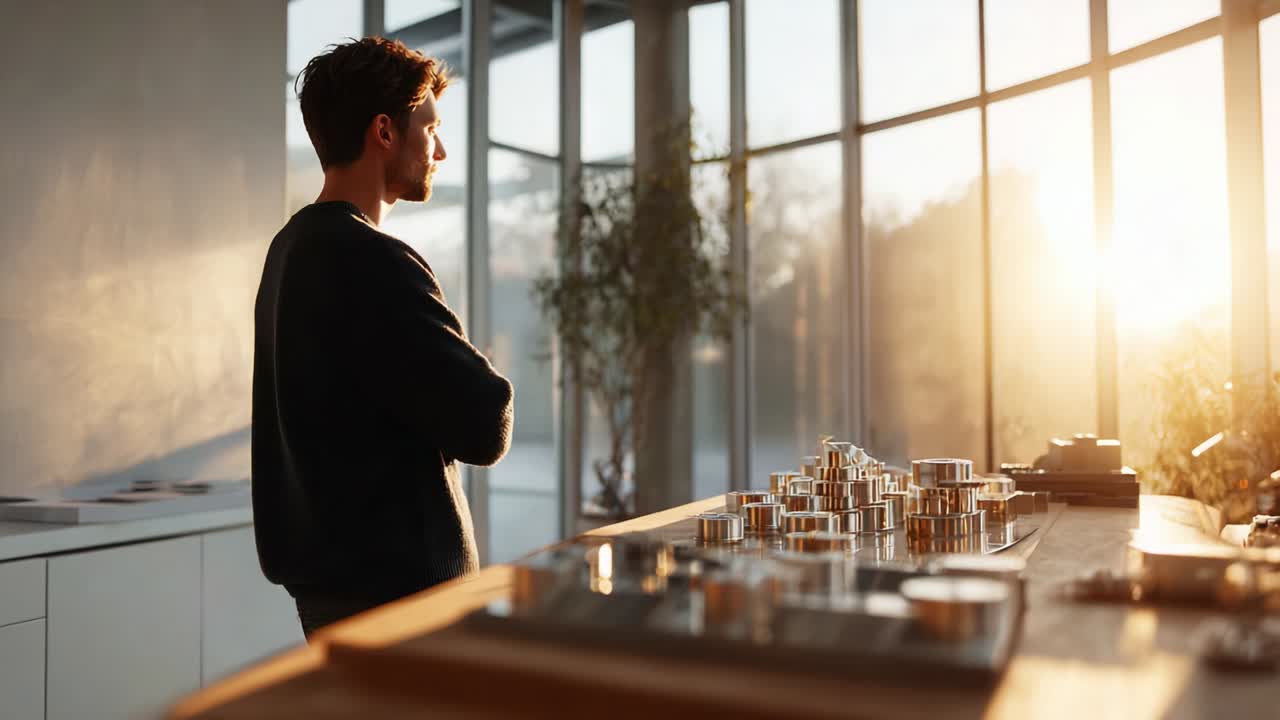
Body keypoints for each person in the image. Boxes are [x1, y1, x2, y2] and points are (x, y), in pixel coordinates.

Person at [252, 37, 513, 640]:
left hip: (331, 595)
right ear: (385, 132)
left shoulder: (289, 250)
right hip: (402, 601)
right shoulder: (371, 258)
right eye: (430, 127)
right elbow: (486, 422)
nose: (440, 149)